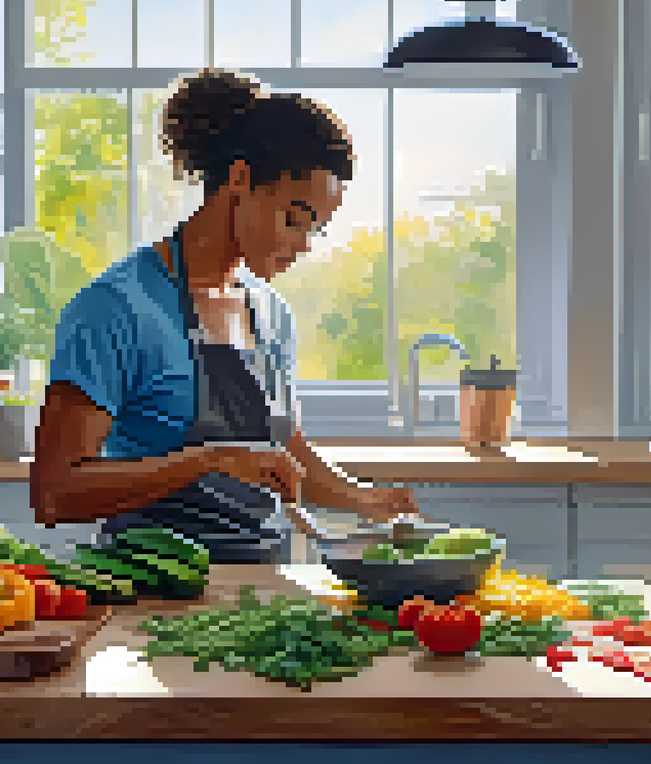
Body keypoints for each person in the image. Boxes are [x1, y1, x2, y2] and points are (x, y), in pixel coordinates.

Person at [31, 68, 418, 563]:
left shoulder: (271, 313)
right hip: (152, 587)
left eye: (316, 229)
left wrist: (365, 498)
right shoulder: (116, 308)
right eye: (294, 219)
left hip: (267, 582)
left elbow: (281, 449)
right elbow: (55, 492)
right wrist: (209, 460)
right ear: (239, 179)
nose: (302, 245)